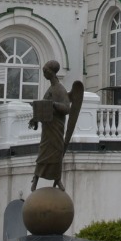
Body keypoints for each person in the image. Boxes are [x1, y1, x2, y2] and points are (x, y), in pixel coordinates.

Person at [30, 60, 74, 190]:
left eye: (45, 71)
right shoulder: (49, 89)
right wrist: (35, 119)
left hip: (56, 128)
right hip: (47, 128)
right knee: (43, 152)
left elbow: (67, 108)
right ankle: (36, 178)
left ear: (52, 72)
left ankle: (58, 179)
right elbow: (43, 109)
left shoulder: (60, 90)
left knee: (56, 153)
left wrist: (53, 104)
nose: (44, 74)